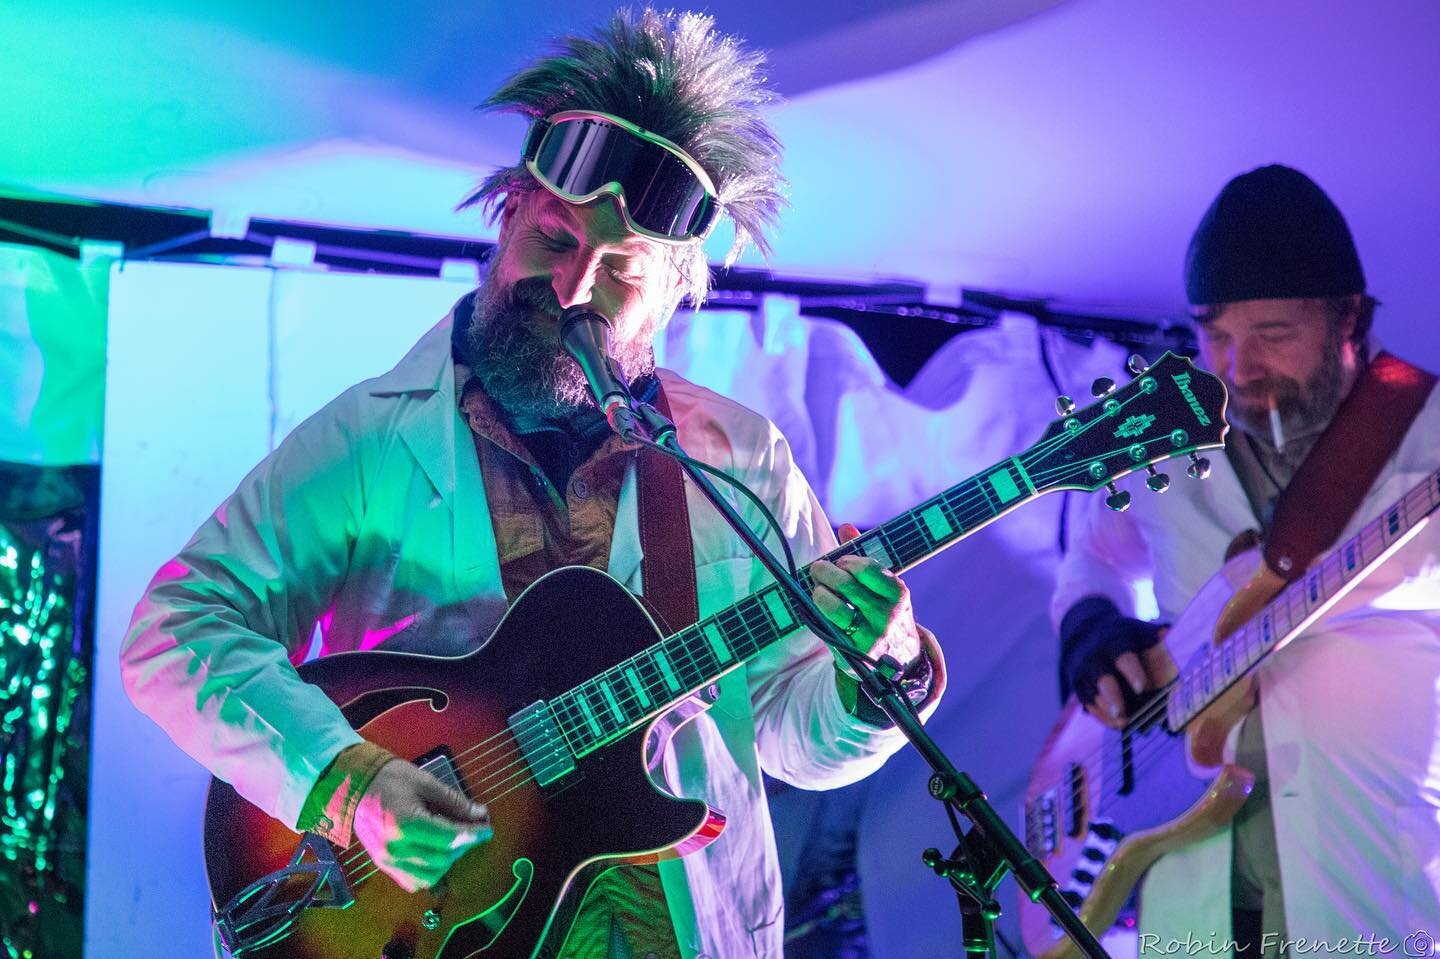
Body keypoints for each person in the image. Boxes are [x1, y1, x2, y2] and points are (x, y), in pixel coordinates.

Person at [120, 10, 944, 959]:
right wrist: (344, 781)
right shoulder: (370, 438)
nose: (571, 286)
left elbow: (781, 731)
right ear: (508, 213)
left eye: (619, 272)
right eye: (555, 240)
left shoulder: (738, 457)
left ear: (677, 292)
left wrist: (878, 664)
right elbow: (172, 632)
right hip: (436, 926)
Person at [1054, 164, 1440, 953]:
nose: (1238, 367)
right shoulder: (1164, 447)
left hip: (1369, 855)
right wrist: (1092, 628)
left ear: (1349, 320)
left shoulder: (1426, 432)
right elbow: (1090, 559)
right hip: (1191, 874)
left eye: (1272, 335)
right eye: (1217, 335)